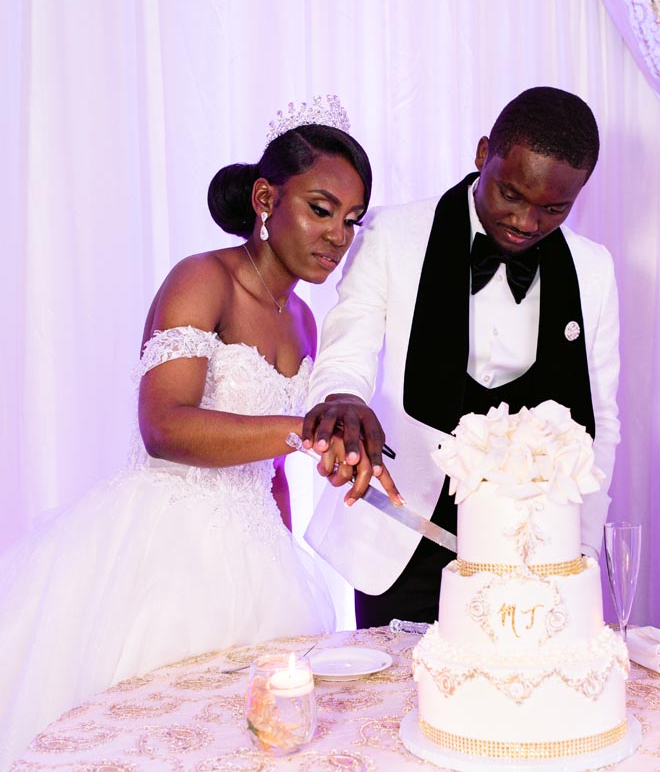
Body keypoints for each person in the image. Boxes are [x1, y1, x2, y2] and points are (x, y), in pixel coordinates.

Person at [0, 95, 372, 768]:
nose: (337, 236)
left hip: (258, 553)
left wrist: (287, 529)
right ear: (266, 196)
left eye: (351, 220)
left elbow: (274, 468)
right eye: (321, 209)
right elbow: (163, 424)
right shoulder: (204, 279)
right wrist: (302, 427)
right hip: (165, 547)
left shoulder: (305, 321)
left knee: (259, 740)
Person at [302, 86, 620, 629]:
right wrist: (343, 401)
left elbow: (600, 422)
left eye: (554, 208)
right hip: (405, 538)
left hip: (535, 549)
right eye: (511, 194)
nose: (526, 221)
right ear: (482, 155)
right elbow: (346, 348)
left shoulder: (592, 270)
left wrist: (582, 550)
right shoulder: (391, 234)